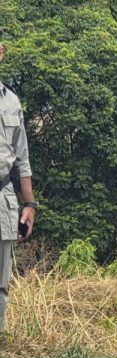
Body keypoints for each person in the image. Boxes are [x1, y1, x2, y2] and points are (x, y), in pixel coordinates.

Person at [0, 29, 38, 332]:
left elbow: (22, 158)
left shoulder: (11, 101)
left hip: (3, 199)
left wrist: (29, 204)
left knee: (1, 284)